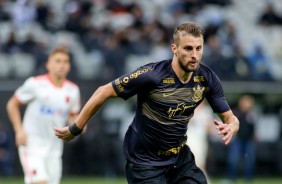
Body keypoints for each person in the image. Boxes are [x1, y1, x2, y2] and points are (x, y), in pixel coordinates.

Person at [54, 22, 239, 184]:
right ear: (174, 48)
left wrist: (232, 126)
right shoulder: (152, 75)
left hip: (178, 158)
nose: (194, 55)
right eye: (188, 48)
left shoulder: (206, 78)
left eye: (199, 48)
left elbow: (230, 118)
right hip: (144, 163)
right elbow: (103, 92)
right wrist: (75, 128)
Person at [6, 47, 81, 184]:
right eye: (58, 61)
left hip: (55, 148)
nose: (62, 65)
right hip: (32, 144)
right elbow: (12, 104)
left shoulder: (73, 90)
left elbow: (73, 116)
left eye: (65, 61)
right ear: (48, 64)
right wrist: (19, 130)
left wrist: (79, 125)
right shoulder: (35, 84)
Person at [226, 95, 257, 183]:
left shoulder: (252, 114)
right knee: (233, 160)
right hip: (237, 139)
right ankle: (231, 179)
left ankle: (248, 180)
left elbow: (253, 128)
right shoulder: (235, 113)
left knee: (249, 161)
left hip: (249, 140)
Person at [186, 100, 214, 181]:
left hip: (201, 140)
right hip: (190, 140)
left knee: (200, 163)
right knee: (193, 162)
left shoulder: (206, 111)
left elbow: (209, 126)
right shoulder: (188, 110)